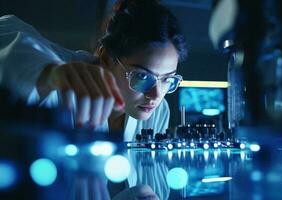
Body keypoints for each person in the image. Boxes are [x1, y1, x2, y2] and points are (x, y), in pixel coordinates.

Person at [0, 0, 187, 199]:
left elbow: (154, 185)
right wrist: (50, 74)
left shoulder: (159, 111)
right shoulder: (64, 78)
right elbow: (5, 27)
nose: (156, 95)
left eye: (167, 79)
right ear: (106, 59)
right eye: (142, 76)